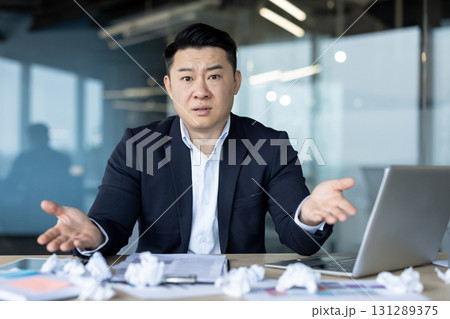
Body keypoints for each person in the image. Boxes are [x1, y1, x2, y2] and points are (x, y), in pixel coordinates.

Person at [37, 23, 356, 257]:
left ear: (235, 82)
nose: (200, 91)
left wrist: (310, 214)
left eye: (214, 76)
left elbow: (299, 240)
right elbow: (111, 224)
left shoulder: (270, 146)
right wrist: (93, 235)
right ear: (170, 86)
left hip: (240, 294)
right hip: (160, 290)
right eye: (187, 78)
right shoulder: (139, 145)